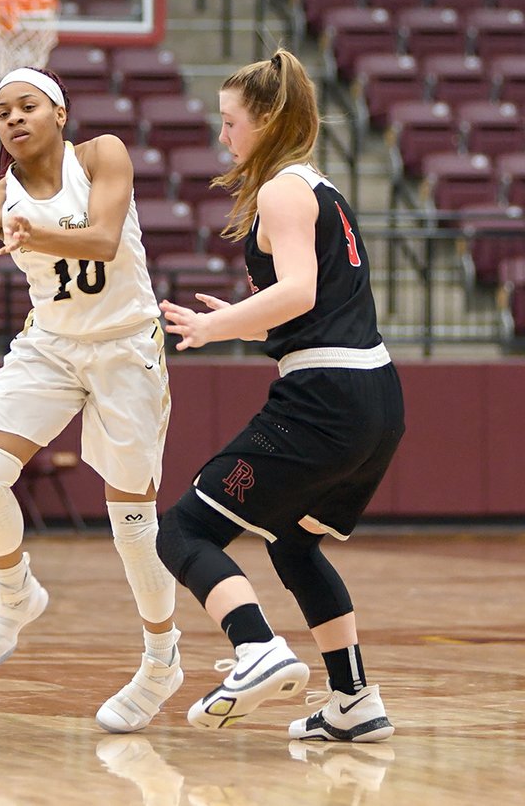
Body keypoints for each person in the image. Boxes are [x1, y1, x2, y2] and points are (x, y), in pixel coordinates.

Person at [0, 66, 182, 733]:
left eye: (29, 105)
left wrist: (35, 236)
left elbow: (103, 238)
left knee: (133, 526)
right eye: (3, 111)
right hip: (50, 345)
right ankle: (15, 591)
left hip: (127, 346)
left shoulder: (103, 155)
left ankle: (162, 660)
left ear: (60, 114)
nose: (14, 118)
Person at [155, 48, 405, 742]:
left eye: (231, 122)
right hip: (376, 396)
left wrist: (212, 325)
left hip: (325, 396)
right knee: (294, 544)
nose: (223, 135)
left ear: (266, 120)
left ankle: (256, 646)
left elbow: (299, 291)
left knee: (182, 530)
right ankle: (354, 699)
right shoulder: (320, 189)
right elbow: (302, 299)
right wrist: (241, 311)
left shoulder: (281, 191)